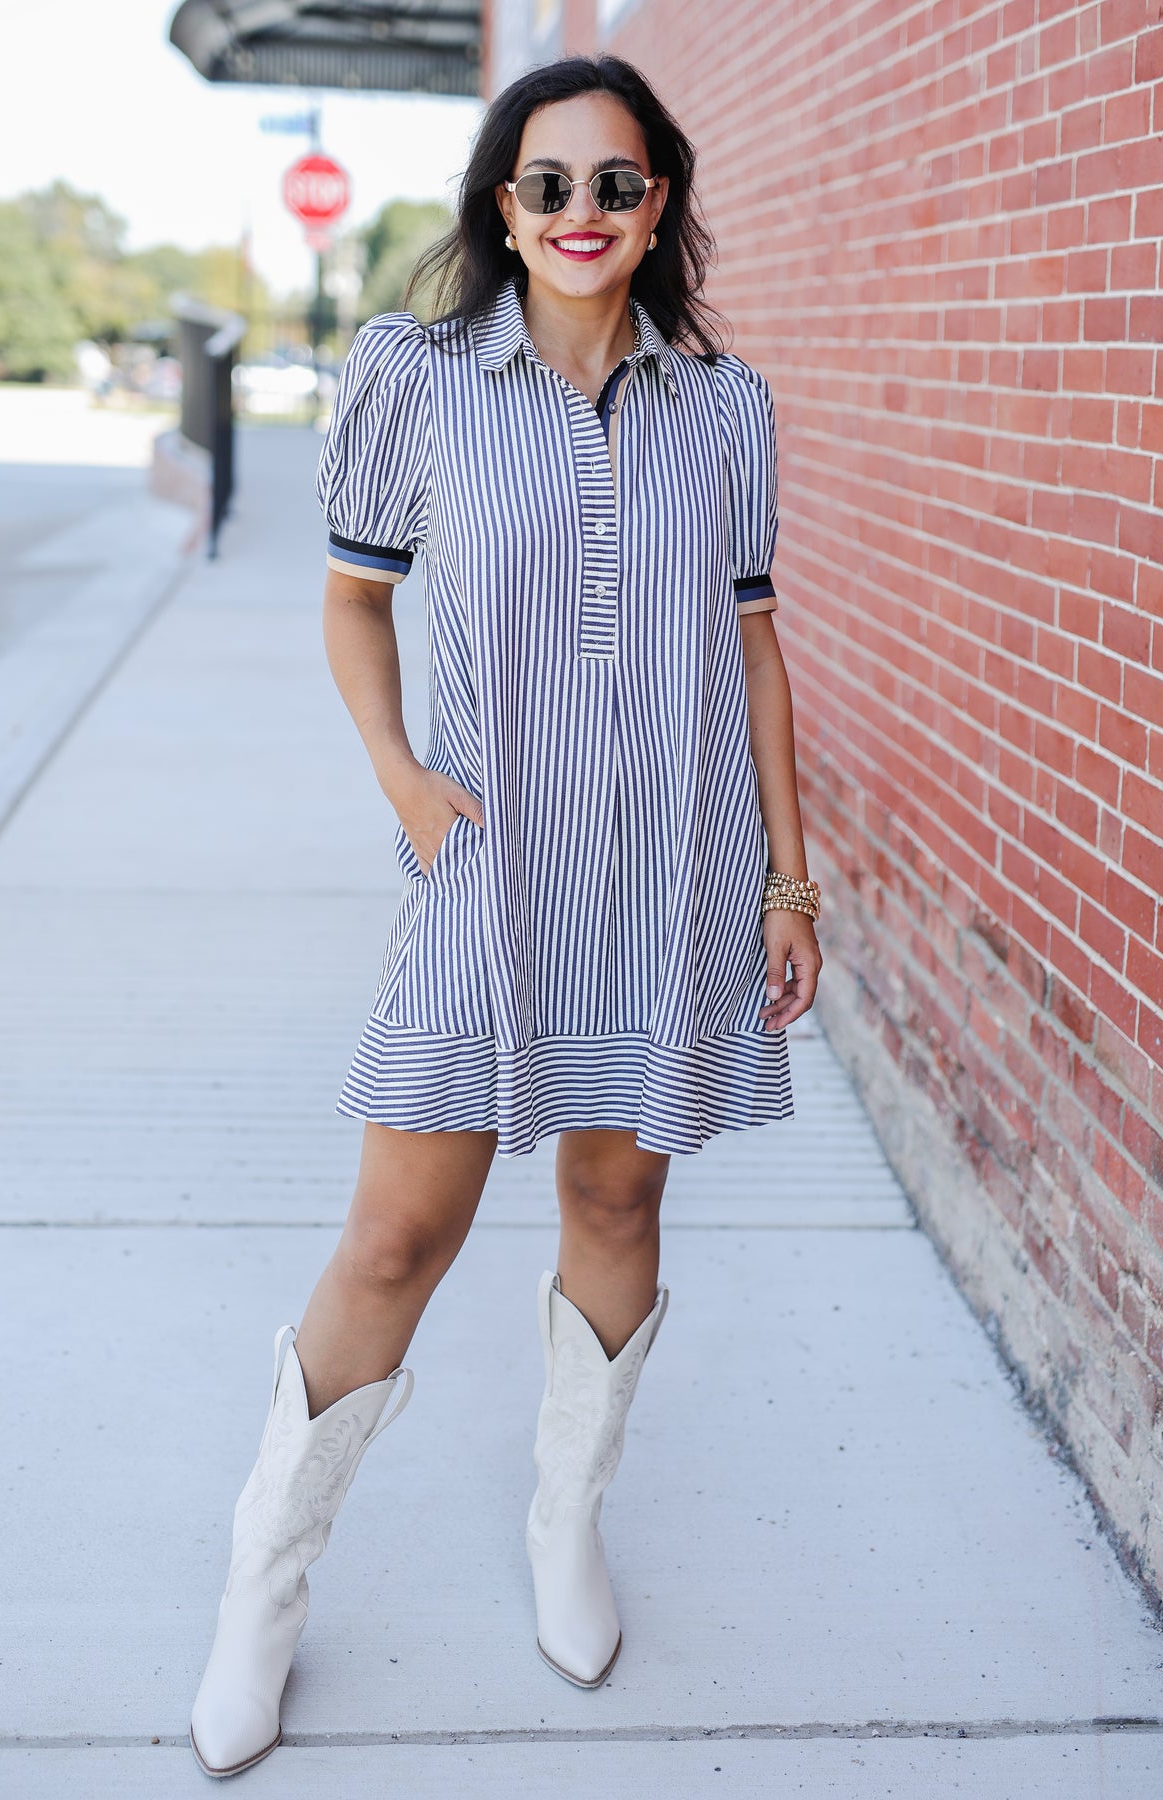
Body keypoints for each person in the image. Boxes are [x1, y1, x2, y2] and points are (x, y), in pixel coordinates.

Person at [189, 51, 822, 1779]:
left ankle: (567, 1521)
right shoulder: (415, 376)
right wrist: (400, 777)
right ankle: (263, 1585)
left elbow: (756, 645)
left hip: (674, 870)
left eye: (619, 185)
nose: (583, 215)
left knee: (617, 1190)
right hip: (493, 869)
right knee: (397, 1235)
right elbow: (350, 603)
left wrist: (784, 866)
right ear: (502, 205)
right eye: (550, 186)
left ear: (661, 205)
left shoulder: (727, 408)